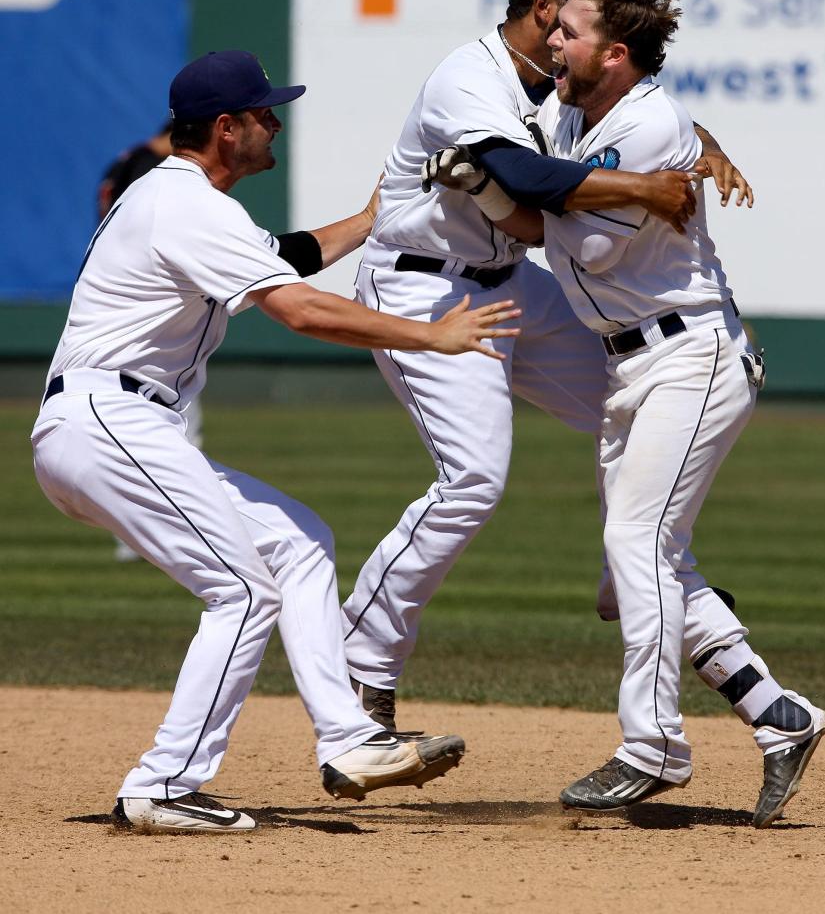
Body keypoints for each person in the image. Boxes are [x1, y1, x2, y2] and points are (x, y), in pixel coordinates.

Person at [30, 50, 521, 834]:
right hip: (104, 422)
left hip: (115, 425)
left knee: (298, 542)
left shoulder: (182, 199)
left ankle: (351, 738)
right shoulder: (185, 203)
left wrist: (373, 216)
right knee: (243, 587)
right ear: (225, 129)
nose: (275, 123)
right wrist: (430, 336)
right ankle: (162, 783)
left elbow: (283, 257)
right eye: (262, 114)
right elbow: (300, 309)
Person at [440, 0, 825, 828]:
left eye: (571, 32)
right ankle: (780, 716)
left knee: (635, 537)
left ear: (615, 53)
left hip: (690, 358)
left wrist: (497, 191)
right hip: (632, 362)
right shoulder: (587, 115)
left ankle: (652, 747)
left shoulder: (644, 127)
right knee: (645, 567)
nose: (556, 41)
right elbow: (555, 206)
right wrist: (501, 182)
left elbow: (576, 238)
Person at [341, 0, 751, 734]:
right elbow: (526, 182)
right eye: (572, 13)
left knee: (635, 394)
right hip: (422, 285)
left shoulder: (560, 85)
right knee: (474, 480)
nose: (576, 31)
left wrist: (704, 144)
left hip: (511, 284)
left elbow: (635, 108)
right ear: (544, 11)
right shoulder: (469, 79)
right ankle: (363, 657)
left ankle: (631, 575)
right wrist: (641, 185)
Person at [96, 120, 204, 562]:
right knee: (178, 426)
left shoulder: (125, 160)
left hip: (116, 301)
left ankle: (142, 535)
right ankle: (155, 535)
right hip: (151, 320)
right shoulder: (157, 171)